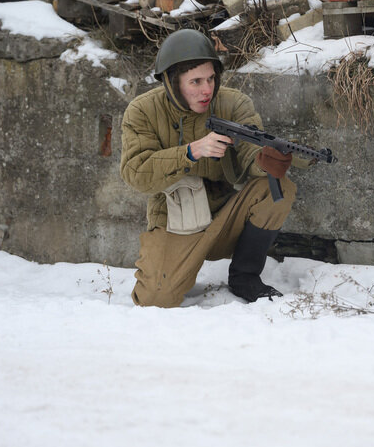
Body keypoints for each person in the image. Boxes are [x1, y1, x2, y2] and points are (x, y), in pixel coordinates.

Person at [120, 29, 297, 308]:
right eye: (196, 81)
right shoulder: (143, 111)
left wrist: (265, 163)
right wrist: (190, 152)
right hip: (175, 221)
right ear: (172, 82)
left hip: (225, 219)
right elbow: (136, 173)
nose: (207, 89)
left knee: (278, 187)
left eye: (211, 78)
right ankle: (180, 268)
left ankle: (245, 276)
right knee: (155, 299)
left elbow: (251, 149)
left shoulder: (233, 103)